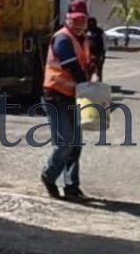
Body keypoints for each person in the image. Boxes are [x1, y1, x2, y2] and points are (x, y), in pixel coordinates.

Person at [40, 10, 90, 200]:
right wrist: (84, 83)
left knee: (75, 144)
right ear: (69, 22)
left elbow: (85, 64)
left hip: (72, 96)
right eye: (76, 24)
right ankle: (49, 175)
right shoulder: (62, 39)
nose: (79, 28)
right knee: (65, 142)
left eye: (82, 24)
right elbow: (70, 65)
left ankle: (71, 187)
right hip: (56, 96)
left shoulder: (81, 38)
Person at [86, 16, 106, 82]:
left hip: (98, 53)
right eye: (89, 22)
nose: (91, 24)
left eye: (92, 22)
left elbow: (104, 44)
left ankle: (99, 83)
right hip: (87, 54)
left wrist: (102, 55)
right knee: (88, 71)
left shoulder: (100, 32)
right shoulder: (85, 31)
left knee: (99, 70)